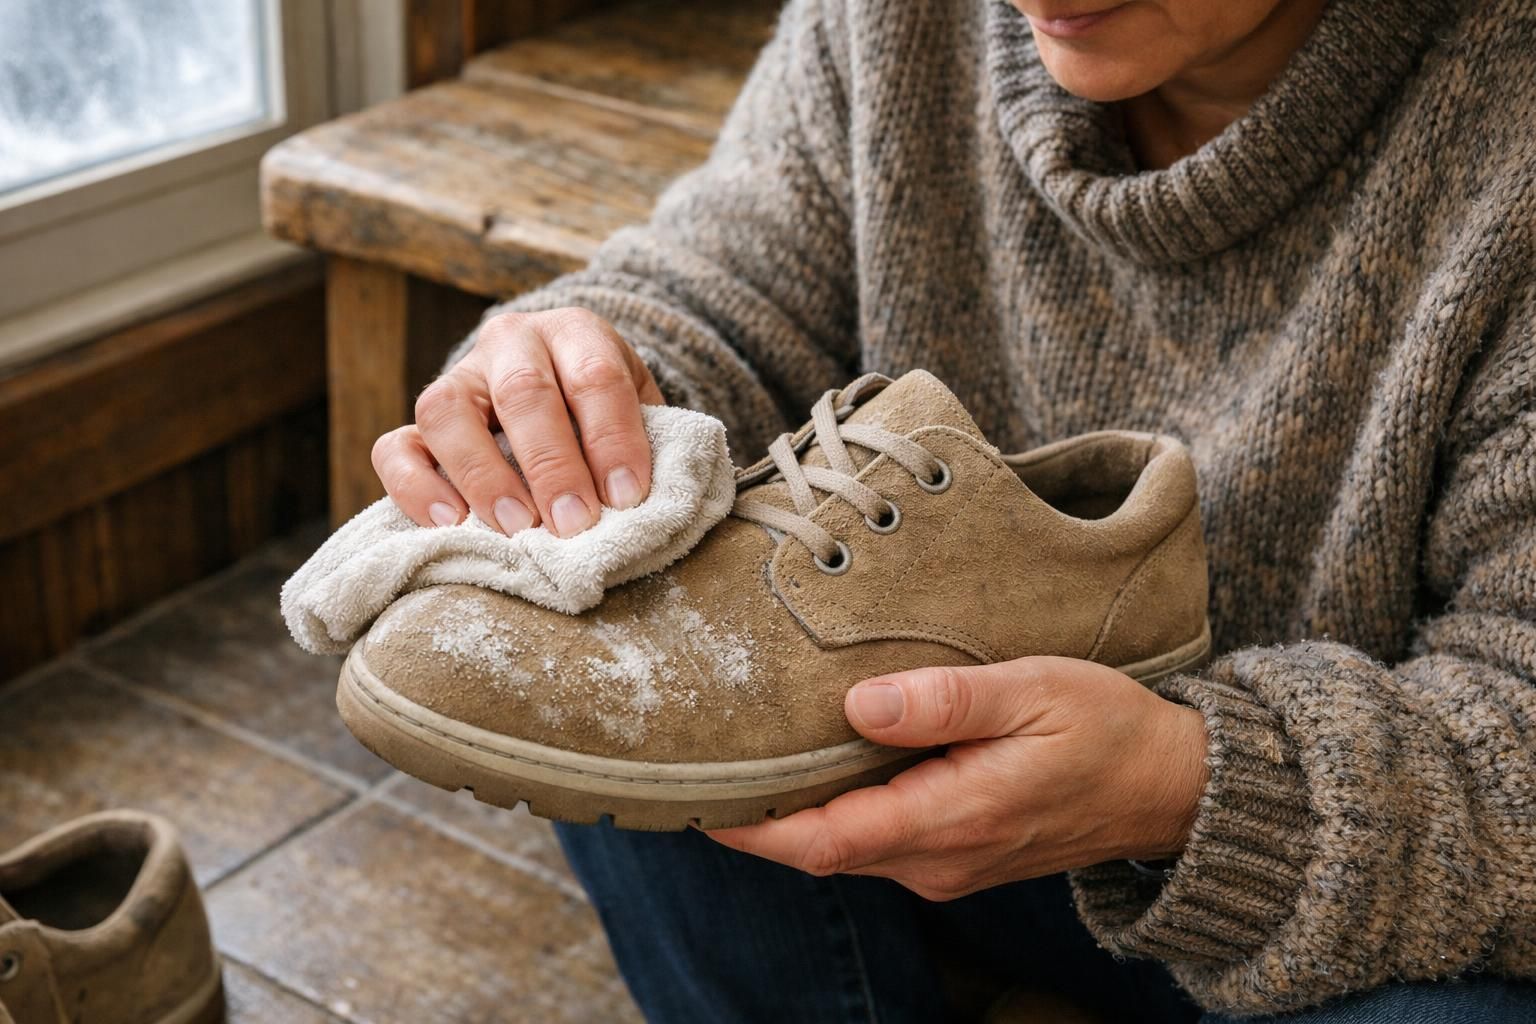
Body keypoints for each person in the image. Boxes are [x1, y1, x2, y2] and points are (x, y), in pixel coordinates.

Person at [368, 0, 1536, 1020]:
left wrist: (1189, 787)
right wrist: (598, 390)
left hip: (1352, 886)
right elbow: (726, 280)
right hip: (923, 787)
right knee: (605, 676)